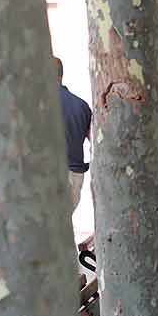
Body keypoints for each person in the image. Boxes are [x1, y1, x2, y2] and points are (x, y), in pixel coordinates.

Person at [57, 57, 93, 214]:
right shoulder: (82, 106)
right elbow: (95, 143)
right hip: (76, 176)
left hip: (52, 173)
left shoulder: (37, 103)